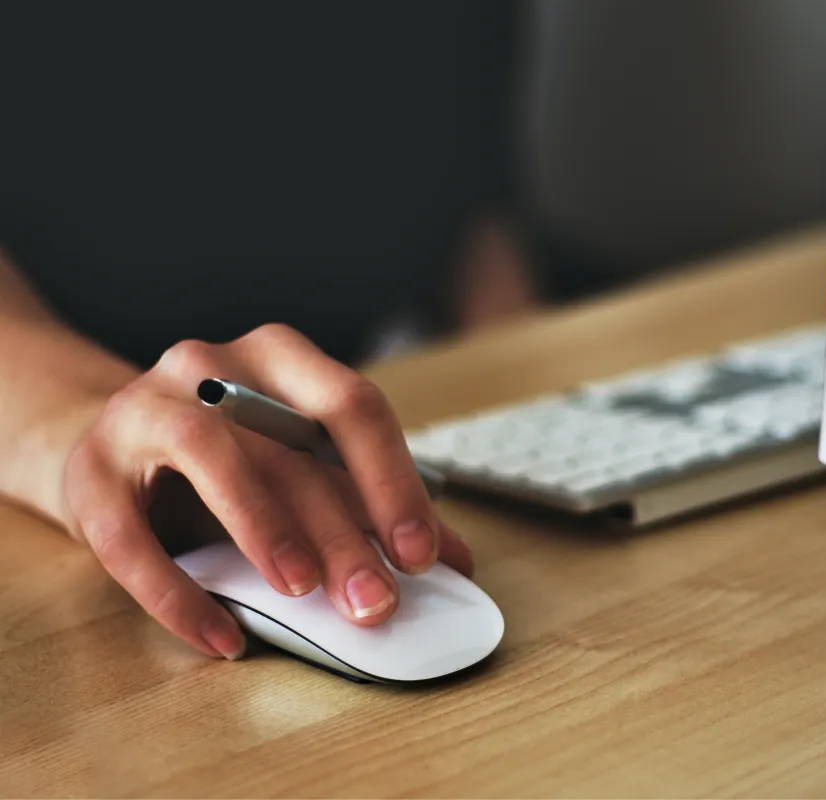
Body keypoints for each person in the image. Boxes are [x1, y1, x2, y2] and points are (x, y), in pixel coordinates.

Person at [0, 4, 533, 661]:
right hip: (96, 379)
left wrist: (525, 401)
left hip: (393, 390)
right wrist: (82, 427)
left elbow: (478, 198)